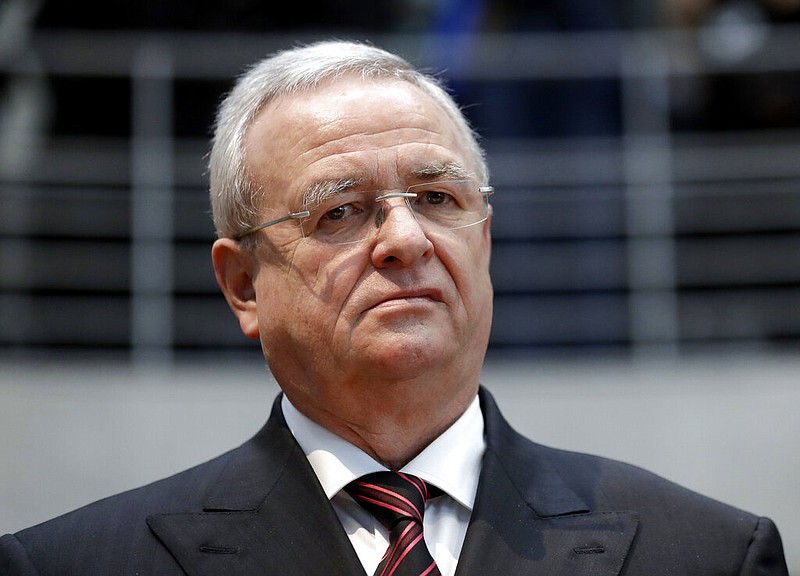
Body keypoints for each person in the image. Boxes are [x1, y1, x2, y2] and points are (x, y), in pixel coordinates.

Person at [0, 39, 789, 576]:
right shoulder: (73, 562)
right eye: (339, 211)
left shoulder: (708, 552)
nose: (406, 239)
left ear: (484, 241)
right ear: (242, 284)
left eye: (440, 198)